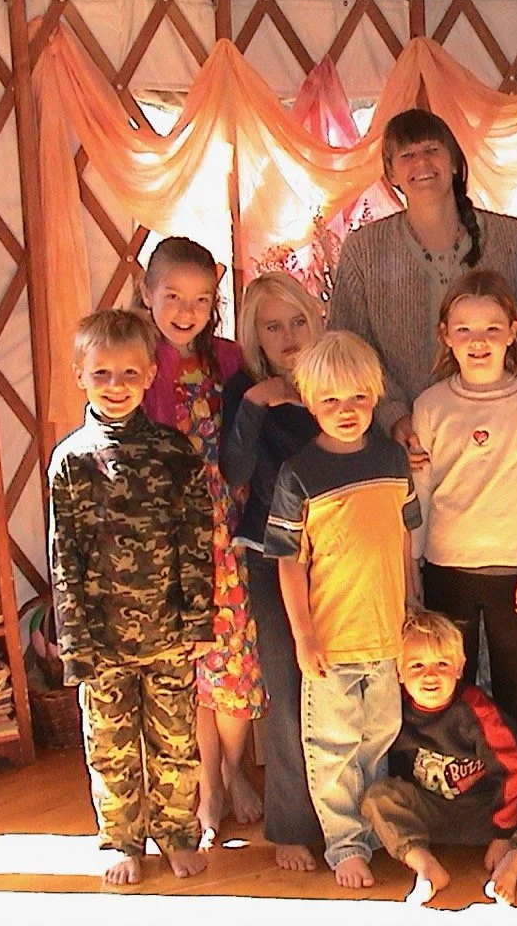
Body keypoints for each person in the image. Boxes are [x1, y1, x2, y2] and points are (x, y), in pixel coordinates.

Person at [48, 309, 212, 886]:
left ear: (149, 377)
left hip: (169, 630)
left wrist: (197, 622)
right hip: (102, 635)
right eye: (101, 375)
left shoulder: (175, 452)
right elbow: (64, 556)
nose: (114, 387)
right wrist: (74, 641)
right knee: (111, 744)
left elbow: (196, 541)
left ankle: (177, 832)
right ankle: (120, 837)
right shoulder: (70, 461)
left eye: (127, 374)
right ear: (79, 376)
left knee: (175, 740)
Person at [263, 330, 422, 888]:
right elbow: (288, 562)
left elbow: (402, 538)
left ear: (375, 394)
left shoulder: (391, 457)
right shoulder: (299, 474)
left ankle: (378, 831)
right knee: (332, 749)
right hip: (331, 641)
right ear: (309, 402)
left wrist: (409, 605)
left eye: (357, 397)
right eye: (330, 400)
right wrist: (304, 637)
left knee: (379, 740)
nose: (346, 410)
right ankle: (345, 843)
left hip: (386, 636)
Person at [411, 270, 517, 779]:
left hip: (513, 574)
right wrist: (413, 569)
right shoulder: (430, 406)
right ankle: (460, 793)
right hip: (445, 569)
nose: (477, 342)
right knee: (451, 689)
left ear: (512, 332)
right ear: (445, 336)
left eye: (490, 329)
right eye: (464, 330)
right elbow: (421, 497)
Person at [136, 236, 265, 841]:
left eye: (201, 298)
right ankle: (207, 780)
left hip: (228, 534)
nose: (186, 311)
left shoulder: (232, 358)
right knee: (191, 668)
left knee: (234, 665)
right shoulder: (135, 359)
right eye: (172, 297)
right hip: (170, 537)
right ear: (146, 292)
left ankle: (231, 773)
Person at [328, 108, 517, 469]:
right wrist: (393, 415)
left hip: (503, 434)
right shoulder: (365, 249)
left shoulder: (509, 238)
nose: (421, 162)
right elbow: (349, 344)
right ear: (391, 174)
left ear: (453, 160)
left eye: (432, 149)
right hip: (408, 441)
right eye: (407, 155)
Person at [219, 271, 325, 871]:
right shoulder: (244, 388)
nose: (287, 336)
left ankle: (351, 816)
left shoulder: (335, 375)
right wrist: (256, 407)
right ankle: (290, 825)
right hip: (269, 552)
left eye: (296, 321)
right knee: (287, 690)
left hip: (340, 551)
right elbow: (234, 472)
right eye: (272, 325)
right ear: (255, 336)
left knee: (341, 685)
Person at [362, 612, 517, 907]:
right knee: (377, 796)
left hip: (486, 811)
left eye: (442, 664)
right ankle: (424, 866)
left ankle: (514, 863)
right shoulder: (394, 711)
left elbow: (516, 766)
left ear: (460, 667)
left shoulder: (476, 710)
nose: (430, 675)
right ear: (398, 672)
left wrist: (503, 834)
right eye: (417, 665)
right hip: (431, 813)